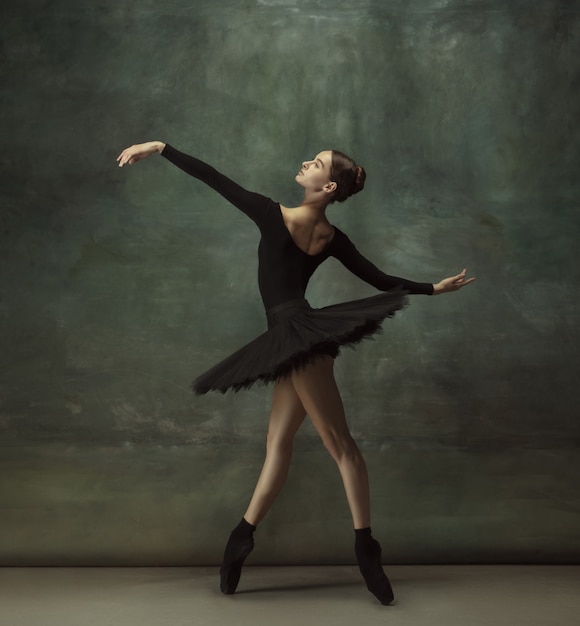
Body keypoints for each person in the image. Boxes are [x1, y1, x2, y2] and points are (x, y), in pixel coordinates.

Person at [117, 140, 474, 605]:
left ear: (326, 185)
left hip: (300, 340)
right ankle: (242, 536)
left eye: (316, 163)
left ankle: (366, 548)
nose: (305, 162)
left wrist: (161, 148)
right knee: (277, 445)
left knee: (342, 446)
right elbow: (383, 280)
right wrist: (430, 288)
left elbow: (214, 178)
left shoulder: (273, 215)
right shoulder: (331, 237)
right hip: (293, 339)